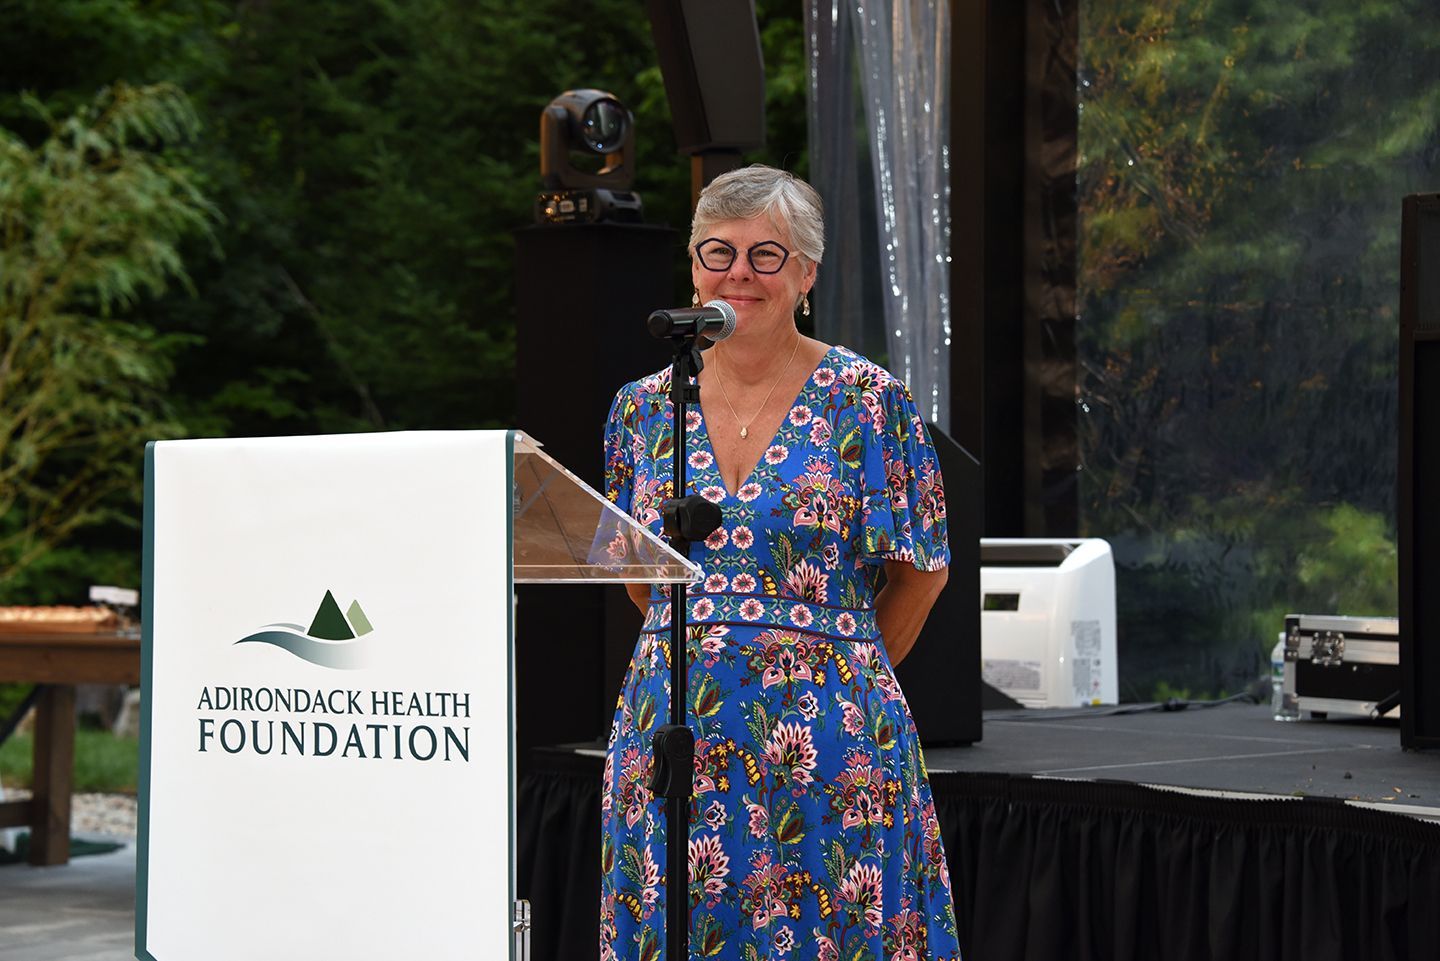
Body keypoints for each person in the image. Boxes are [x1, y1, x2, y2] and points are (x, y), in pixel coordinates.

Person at [600, 165, 960, 961]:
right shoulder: (641, 408)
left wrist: (835, 669)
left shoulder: (869, 400)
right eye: (716, 252)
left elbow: (923, 569)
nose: (737, 273)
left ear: (806, 274)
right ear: (693, 269)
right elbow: (637, 570)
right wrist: (703, 646)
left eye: (766, 255)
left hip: (830, 740)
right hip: (671, 732)